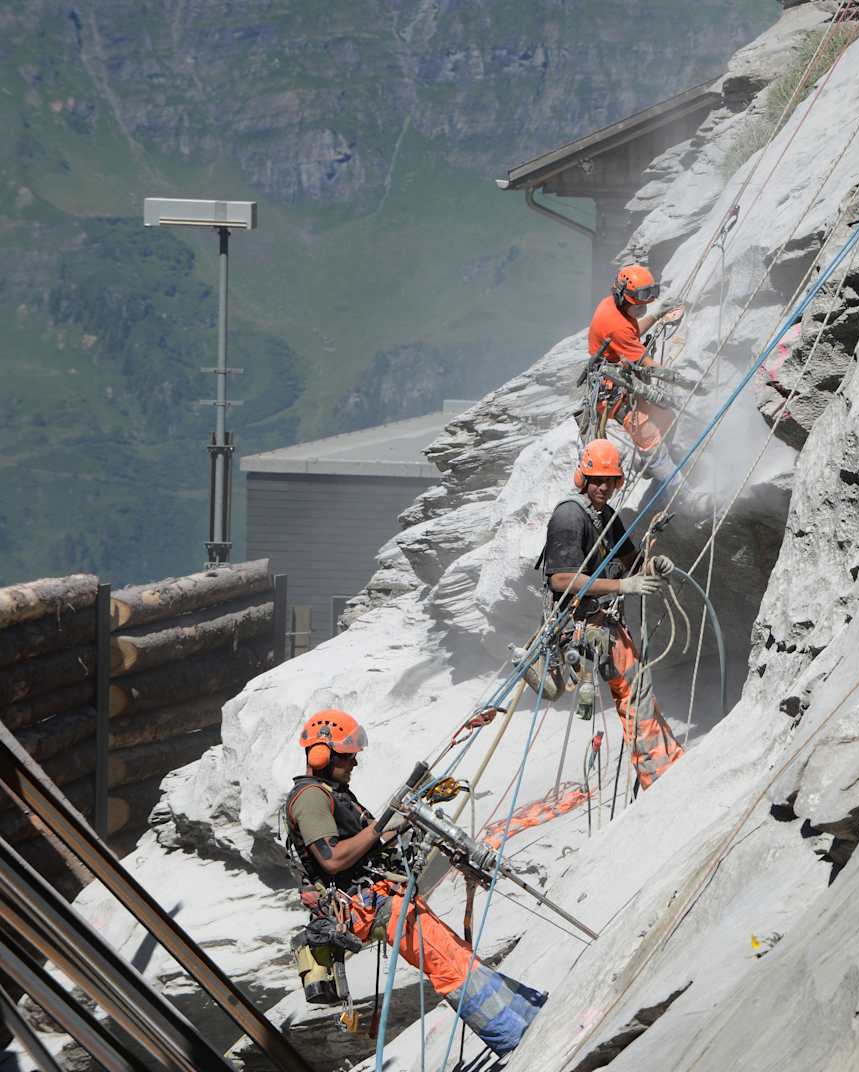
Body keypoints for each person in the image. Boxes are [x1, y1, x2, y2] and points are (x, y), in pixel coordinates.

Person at [283, 709, 545, 1056]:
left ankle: (526, 1012)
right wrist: (379, 830)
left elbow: (372, 839)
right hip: (365, 905)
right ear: (321, 756)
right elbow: (333, 859)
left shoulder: (334, 792)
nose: (354, 765)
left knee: (454, 953)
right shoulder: (312, 797)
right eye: (347, 758)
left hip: (380, 897)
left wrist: (414, 809)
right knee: (447, 963)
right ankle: (512, 1036)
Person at [540, 438, 685, 790]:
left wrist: (653, 567)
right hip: (579, 624)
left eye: (610, 480)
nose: (603, 487)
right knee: (633, 691)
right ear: (583, 478)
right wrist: (623, 587)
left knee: (637, 689)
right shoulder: (569, 516)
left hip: (601, 620)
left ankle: (664, 761)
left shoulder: (605, 516)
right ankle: (657, 772)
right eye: (597, 480)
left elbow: (630, 562)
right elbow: (561, 578)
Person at [588, 263, 685, 459]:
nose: (643, 308)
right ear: (623, 297)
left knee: (666, 419)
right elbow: (647, 363)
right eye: (638, 305)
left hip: (623, 380)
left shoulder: (616, 307)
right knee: (649, 438)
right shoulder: (615, 324)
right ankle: (668, 479)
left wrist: (656, 315)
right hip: (613, 391)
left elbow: (632, 333)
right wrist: (683, 381)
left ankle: (666, 460)